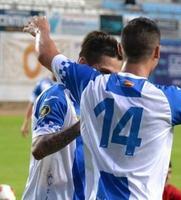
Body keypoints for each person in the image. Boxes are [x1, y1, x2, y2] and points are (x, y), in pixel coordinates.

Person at [24, 16, 181, 199]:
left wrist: (42, 29)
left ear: (120, 48)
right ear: (157, 52)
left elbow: (45, 54)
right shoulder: (168, 99)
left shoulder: (92, 83)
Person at [22, 30, 122, 199]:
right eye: (104, 73)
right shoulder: (57, 97)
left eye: (113, 77)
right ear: (82, 64)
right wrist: (84, 124)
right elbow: (39, 148)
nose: (106, 82)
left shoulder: (107, 104)